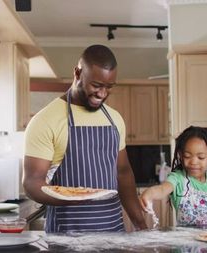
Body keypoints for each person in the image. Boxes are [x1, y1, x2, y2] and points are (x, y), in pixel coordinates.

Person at [23, 45, 147, 233]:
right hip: (67, 235)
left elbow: (123, 173)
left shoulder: (114, 119)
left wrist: (141, 224)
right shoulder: (46, 120)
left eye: (109, 87)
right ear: (78, 73)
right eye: (96, 85)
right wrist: (75, 197)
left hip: (112, 232)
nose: (102, 94)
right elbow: (32, 183)